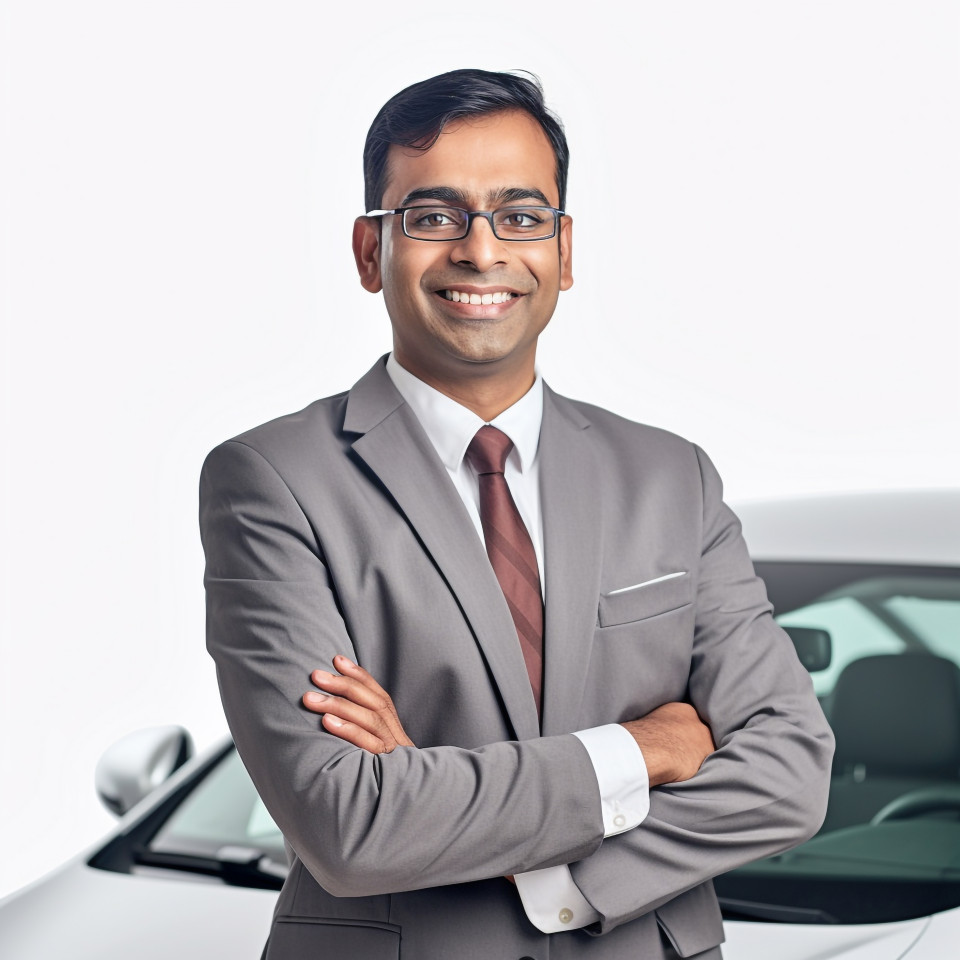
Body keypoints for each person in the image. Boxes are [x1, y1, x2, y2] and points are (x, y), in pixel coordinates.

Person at [200, 68, 834, 960]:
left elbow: (789, 773)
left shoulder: (670, 478)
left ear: (563, 252)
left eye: (520, 216)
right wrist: (641, 750)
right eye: (434, 216)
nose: (480, 250)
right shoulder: (274, 481)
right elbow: (348, 821)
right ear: (370, 251)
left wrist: (535, 866)